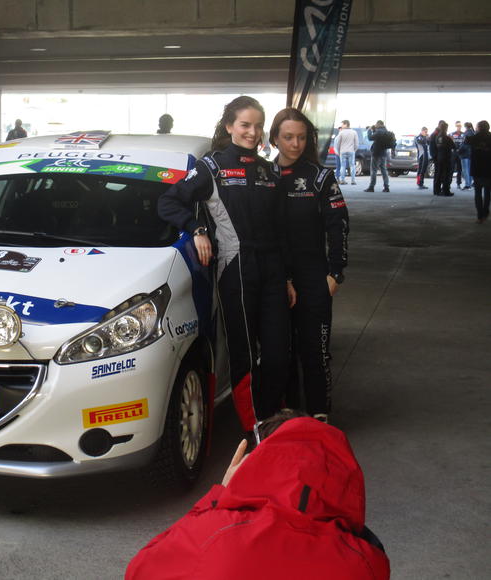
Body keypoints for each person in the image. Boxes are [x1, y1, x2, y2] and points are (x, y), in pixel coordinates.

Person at [125, 410, 390, 579]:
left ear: (254, 462)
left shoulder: (214, 535)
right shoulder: (367, 563)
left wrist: (219, 498)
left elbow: (139, 570)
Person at [157, 96, 290, 433]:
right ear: (230, 126)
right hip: (237, 268)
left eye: (258, 125)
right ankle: (255, 429)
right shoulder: (211, 167)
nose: (253, 132)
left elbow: (280, 226)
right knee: (244, 354)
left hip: (273, 269)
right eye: (245, 125)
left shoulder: (268, 169)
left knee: (277, 351)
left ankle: (275, 417)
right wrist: (197, 230)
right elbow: (169, 202)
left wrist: (287, 276)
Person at [270, 108, 349, 423]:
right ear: (275, 138)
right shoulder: (263, 176)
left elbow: (338, 224)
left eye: (301, 137)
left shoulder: (320, 177)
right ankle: (287, 418)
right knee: (281, 355)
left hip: (314, 278)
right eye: (288, 137)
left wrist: (336, 272)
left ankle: (320, 416)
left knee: (315, 353)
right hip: (275, 280)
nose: (295, 143)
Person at [466, 120, 491, 223]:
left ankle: (480, 216)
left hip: (476, 169)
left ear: (479, 128)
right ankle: (485, 212)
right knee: (487, 192)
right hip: (488, 170)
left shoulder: (472, 138)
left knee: (477, 193)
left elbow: (465, 144)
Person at [364, 121, 395, 193]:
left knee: (374, 170)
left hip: (376, 154)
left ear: (378, 124)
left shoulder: (378, 132)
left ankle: (371, 187)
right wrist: (374, 130)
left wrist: (369, 130)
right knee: (384, 170)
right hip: (384, 153)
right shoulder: (386, 132)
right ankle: (386, 187)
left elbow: (370, 138)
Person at [430, 121, 455, 196]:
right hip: (446, 158)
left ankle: (437, 190)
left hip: (439, 157)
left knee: (438, 174)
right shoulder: (446, 137)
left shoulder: (437, 136)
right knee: (446, 175)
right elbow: (454, 146)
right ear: (446, 128)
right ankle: (445, 190)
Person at [334, 120, 359, 185]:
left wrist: (339, 151)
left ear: (346, 124)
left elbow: (338, 144)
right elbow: (356, 144)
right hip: (351, 151)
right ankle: (353, 180)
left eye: (342, 124)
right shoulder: (354, 132)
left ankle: (342, 180)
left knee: (343, 166)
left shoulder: (341, 133)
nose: (341, 126)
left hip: (342, 151)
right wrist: (354, 150)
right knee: (352, 166)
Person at [459, 121, 475, 190]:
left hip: (465, 154)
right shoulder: (473, 133)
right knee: (469, 169)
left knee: (465, 170)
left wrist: (459, 150)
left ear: (465, 126)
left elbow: (464, 144)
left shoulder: (466, 134)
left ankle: (467, 184)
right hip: (471, 154)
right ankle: (470, 183)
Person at [450, 121, 465, 190]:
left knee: (460, 169)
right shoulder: (452, 134)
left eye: (460, 126)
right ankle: (449, 183)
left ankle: (458, 183)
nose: (458, 127)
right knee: (451, 169)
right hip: (453, 153)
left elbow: (465, 144)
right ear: (456, 126)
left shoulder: (463, 134)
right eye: (457, 126)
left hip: (460, 154)